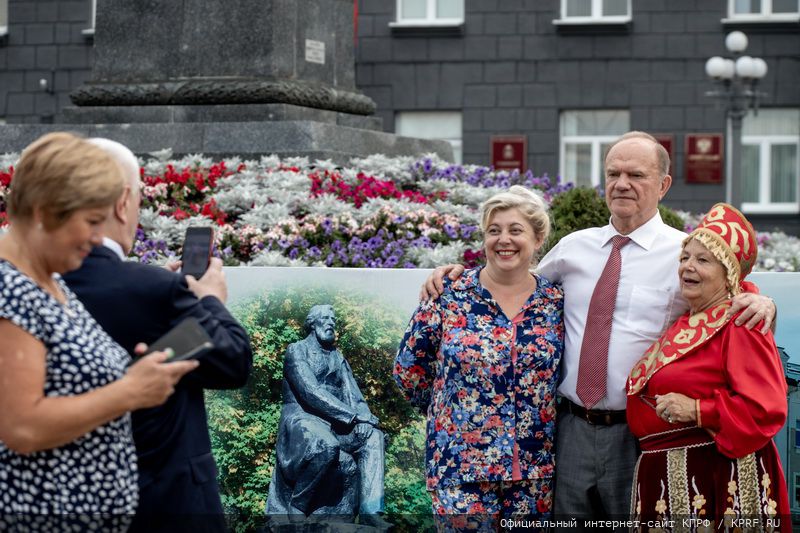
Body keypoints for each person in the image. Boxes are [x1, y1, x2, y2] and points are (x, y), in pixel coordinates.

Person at [420, 131, 776, 520]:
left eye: (636, 175)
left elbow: (726, 290)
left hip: (638, 436)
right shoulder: (573, 248)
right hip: (570, 429)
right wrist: (458, 275)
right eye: (613, 174)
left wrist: (763, 301)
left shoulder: (683, 253)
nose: (622, 184)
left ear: (663, 185)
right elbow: (515, 283)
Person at [0, 132, 197, 527]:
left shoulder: (48, 281)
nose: (96, 238)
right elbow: (22, 426)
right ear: (44, 211)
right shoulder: (10, 288)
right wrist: (129, 391)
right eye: (91, 221)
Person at [61, 138, 253, 532]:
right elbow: (232, 361)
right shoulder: (153, 290)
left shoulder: (28, 283)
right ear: (122, 202)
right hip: (165, 503)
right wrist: (209, 300)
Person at [395, 186, 564, 530]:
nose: (504, 240)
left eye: (515, 230)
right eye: (494, 230)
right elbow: (408, 370)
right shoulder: (448, 294)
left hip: (533, 473)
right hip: (459, 469)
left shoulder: (555, 302)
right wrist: (452, 412)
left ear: (538, 238)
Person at [626, 203, 790, 528]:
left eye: (703, 260)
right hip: (665, 475)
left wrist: (697, 410)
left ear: (728, 276)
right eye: (685, 257)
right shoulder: (685, 321)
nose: (688, 266)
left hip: (713, 479)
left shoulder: (741, 322)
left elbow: (765, 408)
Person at [266, 305, 387, 527]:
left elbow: (353, 394)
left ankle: (370, 511)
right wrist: (354, 416)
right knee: (326, 444)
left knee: (373, 437)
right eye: (326, 318)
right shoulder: (297, 350)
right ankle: (298, 505)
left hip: (336, 423)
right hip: (302, 420)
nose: (331, 323)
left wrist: (364, 416)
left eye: (334, 319)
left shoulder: (337, 357)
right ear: (312, 324)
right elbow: (310, 391)